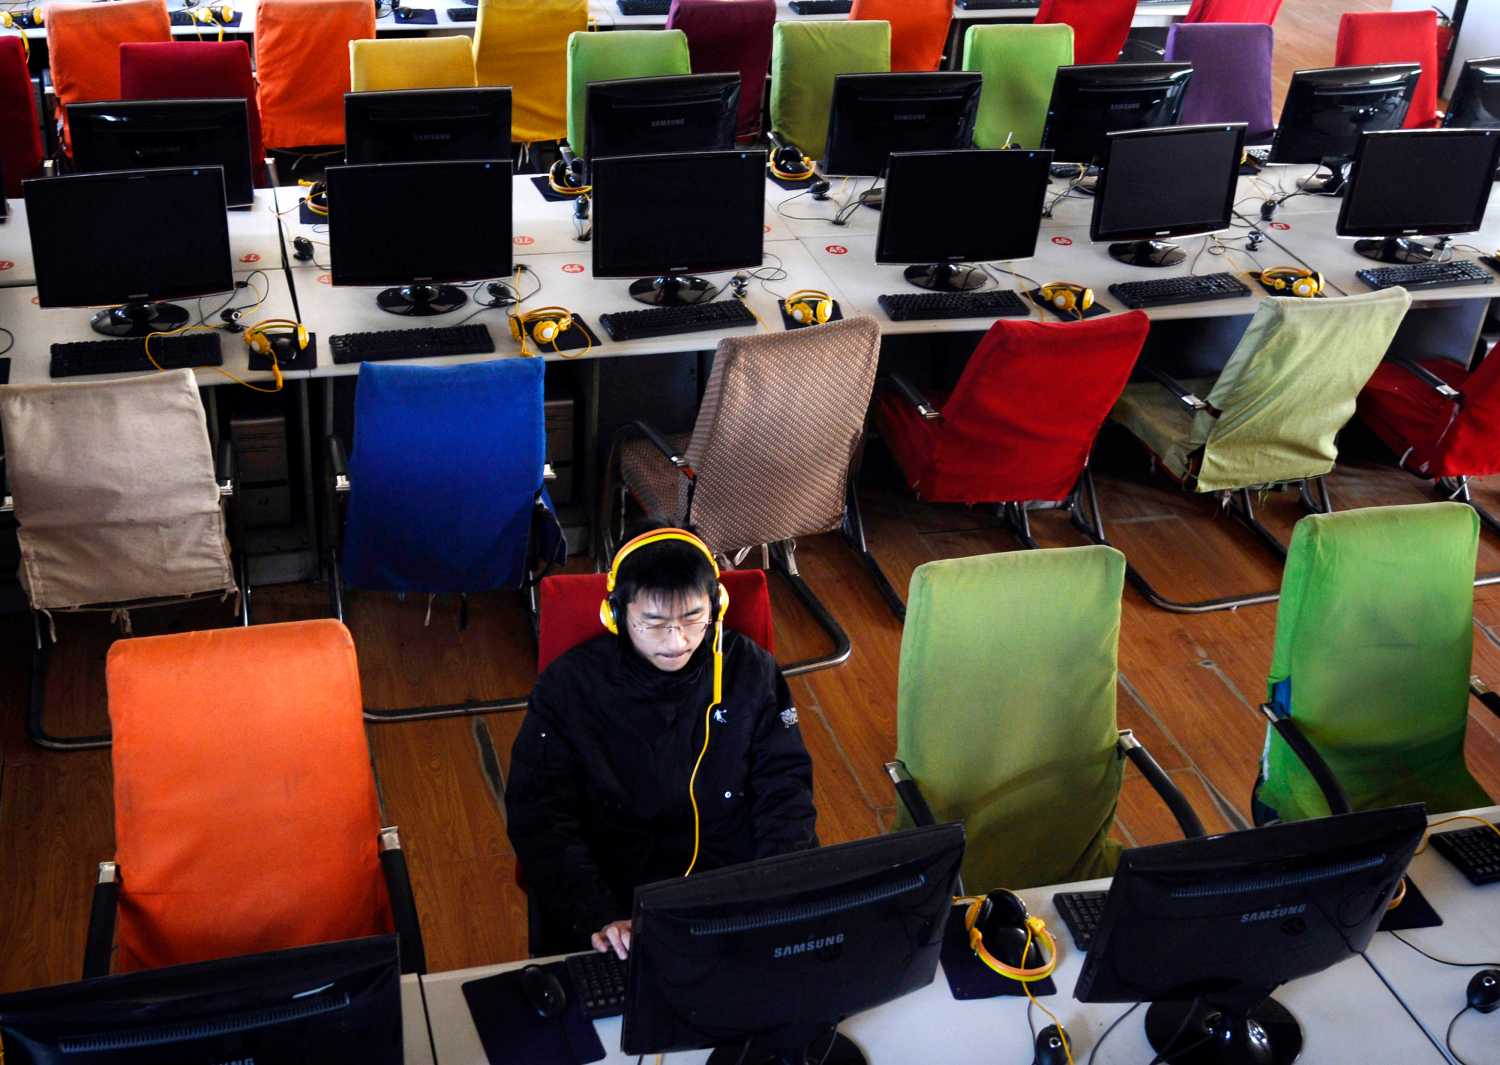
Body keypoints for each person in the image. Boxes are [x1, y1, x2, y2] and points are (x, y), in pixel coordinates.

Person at [506, 525, 818, 959]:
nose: (677, 641)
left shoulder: (750, 670)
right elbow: (539, 814)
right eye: (653, 623)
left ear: (717, 606)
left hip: (733, 887)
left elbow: (785, 788)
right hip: (614, 891)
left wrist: (772, 889)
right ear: (615, 614)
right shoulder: (568, 688)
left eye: (693, 618)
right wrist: (598, 914)